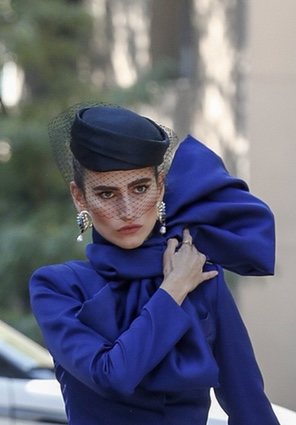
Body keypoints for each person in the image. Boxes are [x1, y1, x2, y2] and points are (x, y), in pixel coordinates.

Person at [29, 104, 280, 425]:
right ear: (79, 197)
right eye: (107, 193)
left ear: (160, 186)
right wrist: (172, 290)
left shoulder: (200, 275)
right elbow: (113, 376)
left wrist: (184, 282)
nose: (129, 209)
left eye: (140, 188)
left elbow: (250, 406)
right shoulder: (57, 287)